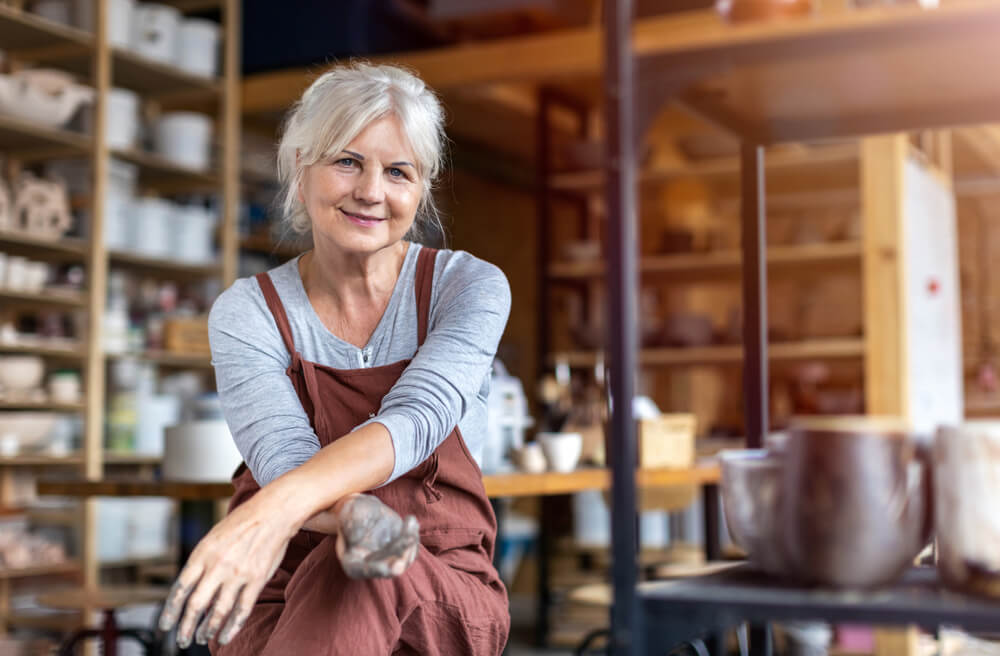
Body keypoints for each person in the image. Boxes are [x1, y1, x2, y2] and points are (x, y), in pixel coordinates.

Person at [157, 61, 512, 655]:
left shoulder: (467, 287)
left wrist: (278, 508)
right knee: (340, 565)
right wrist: (351, 518)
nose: (371, 191)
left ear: (421, 189)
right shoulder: (249, 311)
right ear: (302, 171)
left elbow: (417, 419)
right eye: (347, 161)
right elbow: (284, 460)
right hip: (277, 585)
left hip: (436, 586)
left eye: (398, 171)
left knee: (357, 570)